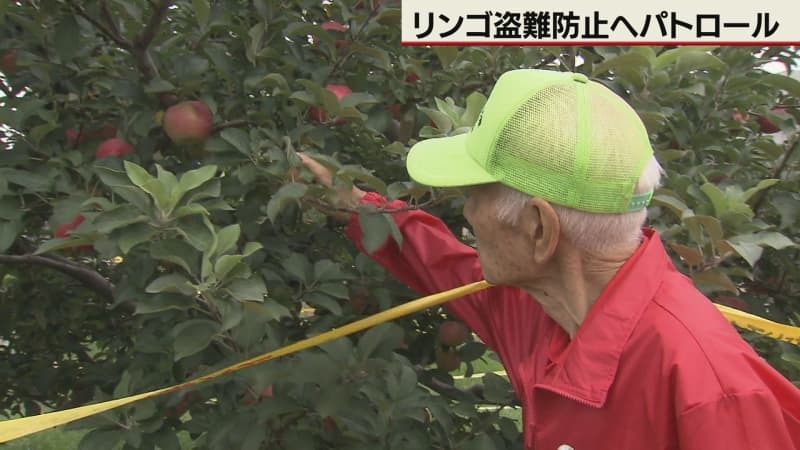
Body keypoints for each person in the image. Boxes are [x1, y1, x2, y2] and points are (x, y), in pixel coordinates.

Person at [299, 69, 800, 449]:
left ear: (539, 230)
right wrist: (357, 205)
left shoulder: (710, 393)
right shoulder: (541, 305)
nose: (469, 213)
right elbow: (443, 263)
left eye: (478, 194)